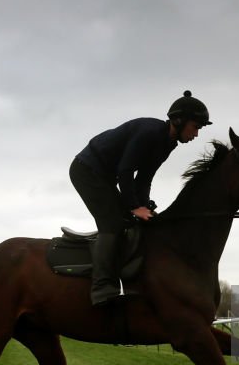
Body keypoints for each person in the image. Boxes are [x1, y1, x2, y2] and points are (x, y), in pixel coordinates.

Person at [69, 90, 211, 305]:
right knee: (114, 223)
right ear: (179, 121)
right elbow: (125, 171)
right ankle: (102, 287)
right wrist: (134, 206)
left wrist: (144, 206)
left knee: (133, 221)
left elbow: (144, 178)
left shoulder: (168, 143)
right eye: (195, 127)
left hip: (106, 175)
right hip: (86, 170)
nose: (196, 134)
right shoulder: (149, 132)